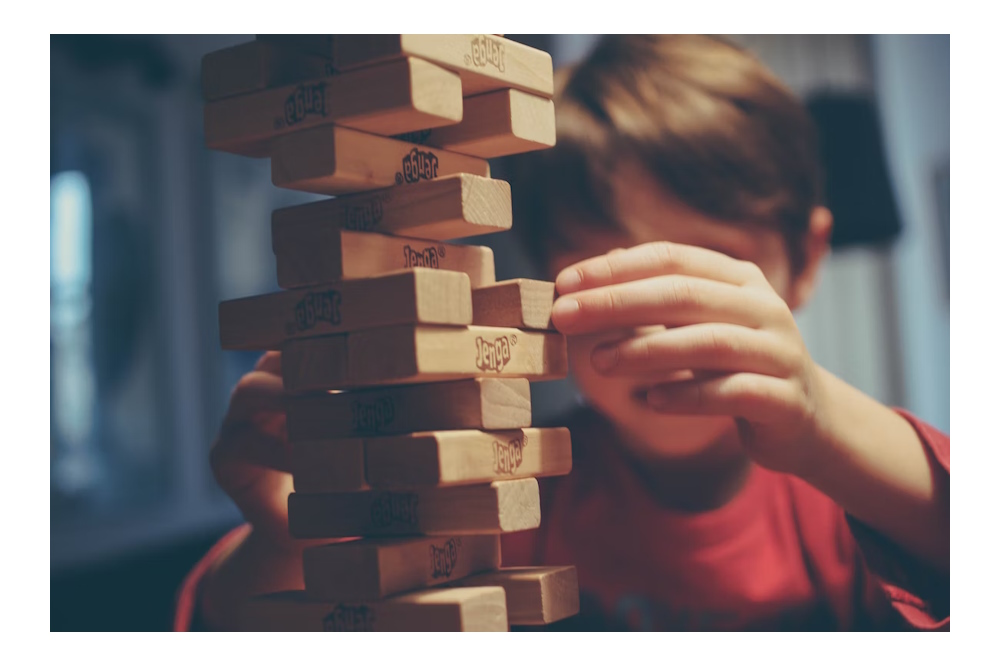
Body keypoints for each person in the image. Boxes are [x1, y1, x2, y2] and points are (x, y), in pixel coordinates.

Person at [176, 35, 949, 631]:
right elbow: (232, 620)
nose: (656, 324)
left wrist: (820, 419)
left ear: (806, 259)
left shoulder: (853, 496)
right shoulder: (503, 493)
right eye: (605, 276)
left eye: (705, 272)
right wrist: (290, 539)